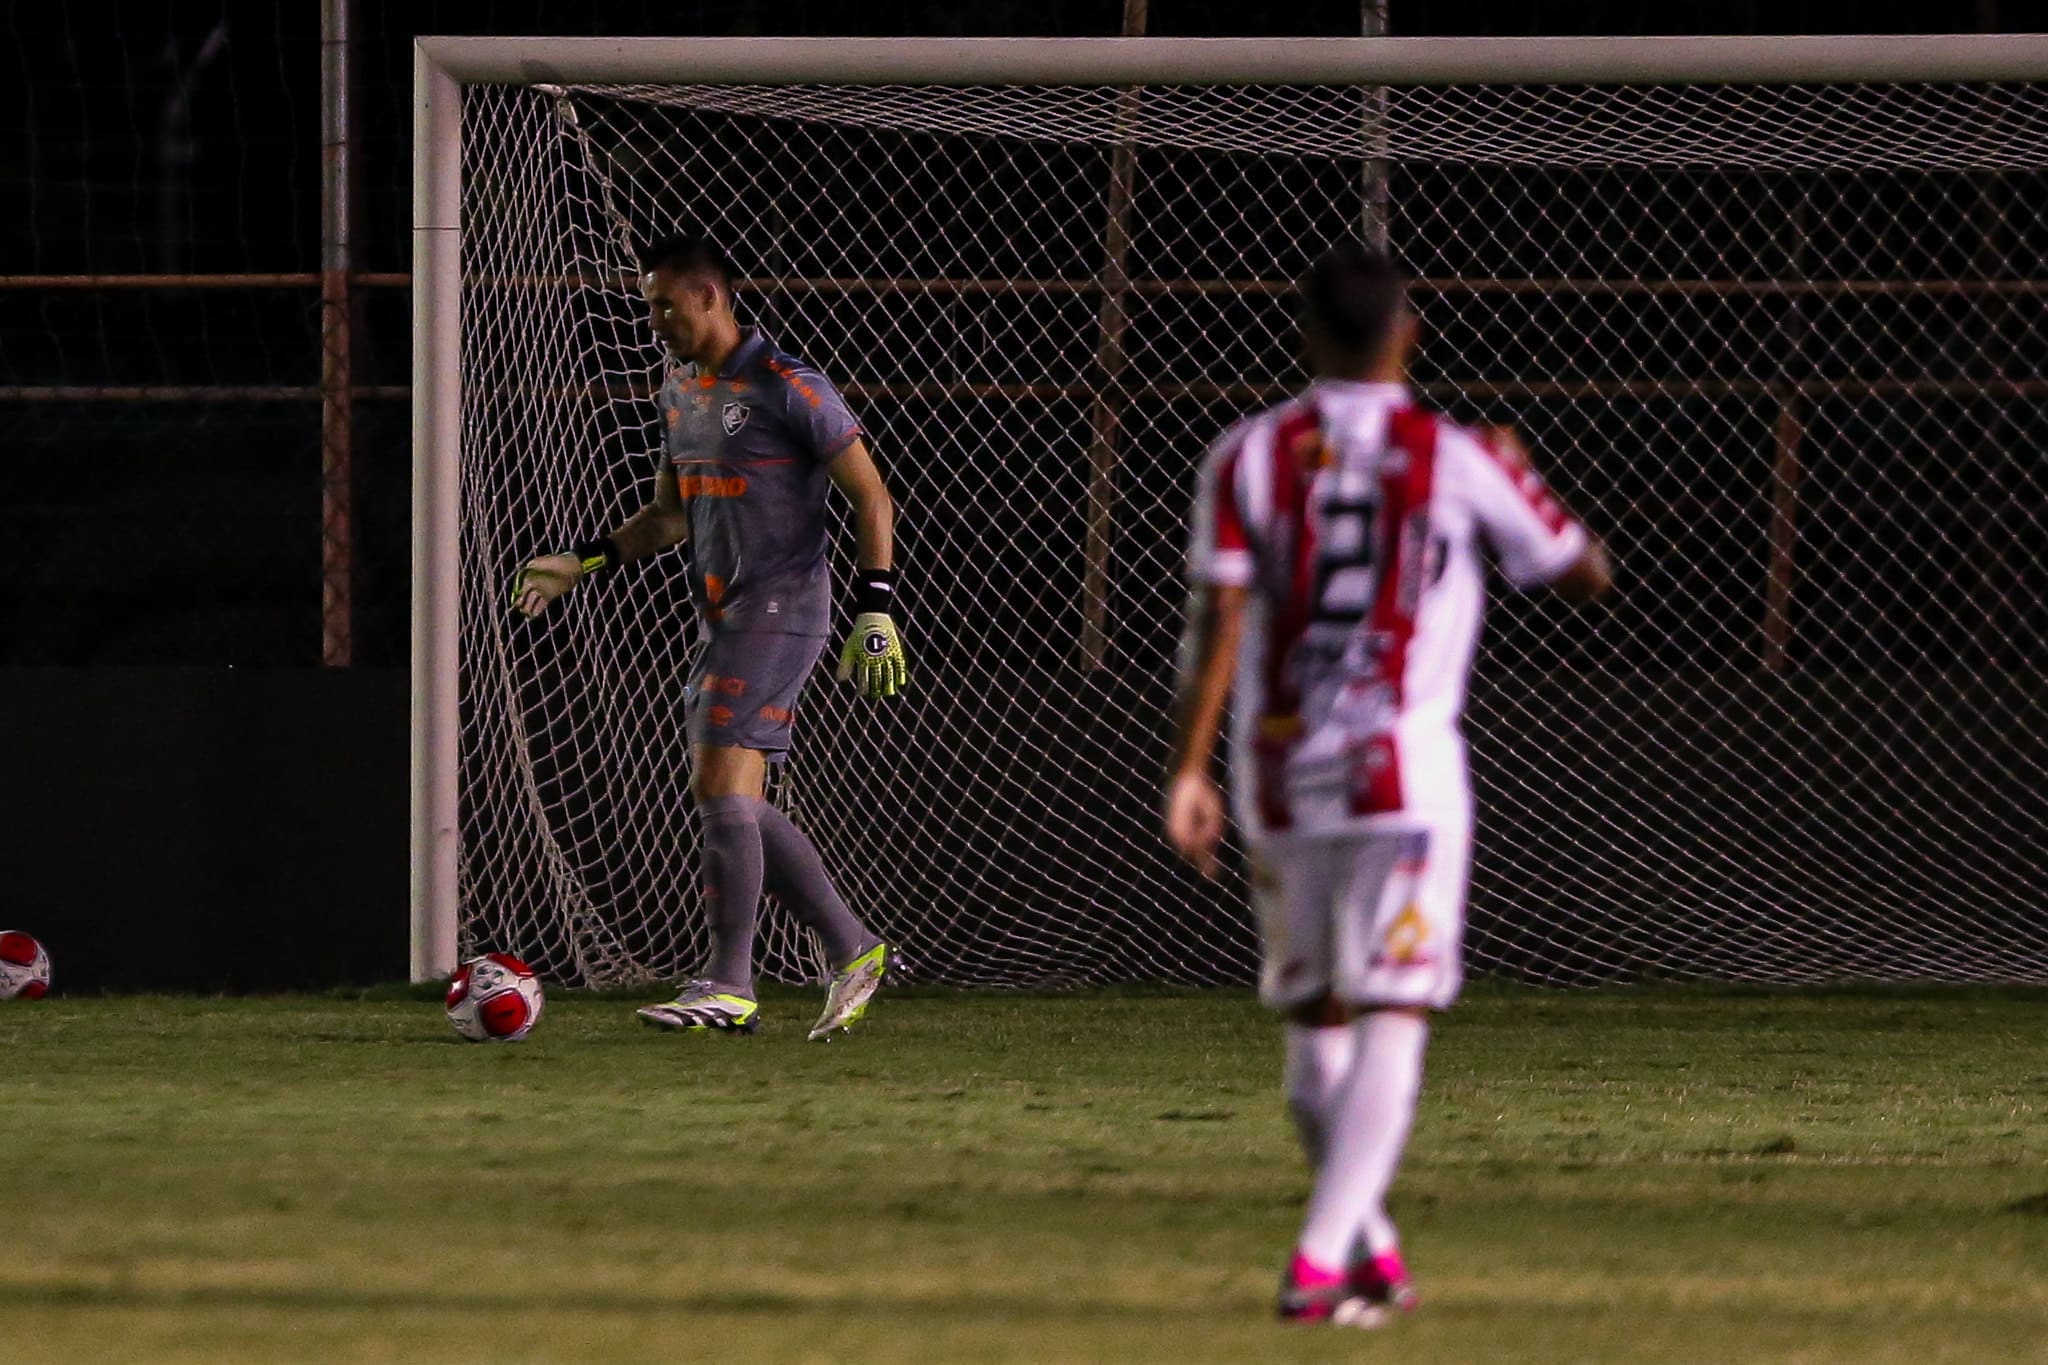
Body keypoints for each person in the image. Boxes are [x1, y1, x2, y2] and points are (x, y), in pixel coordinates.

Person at [1164, 241, 1612, 1326]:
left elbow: (1217, 615)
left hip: (1274, 775)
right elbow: (1584, 573)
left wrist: (1186, 765)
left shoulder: (1245, 453)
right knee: (1392, 1013)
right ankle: (1321, 1257)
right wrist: (1523, 474)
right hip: (1402, 779)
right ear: (1407, 334)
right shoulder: (1454, 454)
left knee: (1316, 1020)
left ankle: (1368, 1249)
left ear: (1303, 334)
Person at [512, 232, 904, 1040]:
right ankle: (852, 944)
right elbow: (667, 517)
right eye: (647, 302)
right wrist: (580, 560)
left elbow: (870, 494)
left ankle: (729, 981)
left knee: (720, 785)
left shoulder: (787, 382)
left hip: (784, 606)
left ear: (710, 296)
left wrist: (877, 607)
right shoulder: (680, 391)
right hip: (726, 615)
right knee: (731, 799)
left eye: (664, 302)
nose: (653, 318)